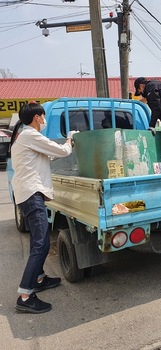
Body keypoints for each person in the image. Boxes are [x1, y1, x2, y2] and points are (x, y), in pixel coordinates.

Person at [12, 102, 78, 314]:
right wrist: (70, 138)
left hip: (26, 194)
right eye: (42, 115)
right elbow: (62, 151)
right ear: (37, 117)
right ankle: (25, 295)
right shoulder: (31, 134)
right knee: (41, 244)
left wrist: (61, 149)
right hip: (32, 195)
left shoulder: (23, 137)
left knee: (35, 240)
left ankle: (39, 278)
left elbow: (48, 156)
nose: (44, 118)